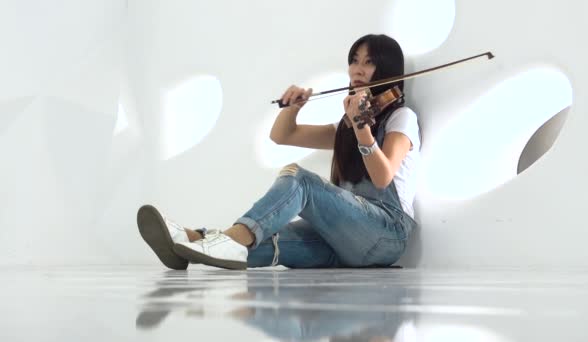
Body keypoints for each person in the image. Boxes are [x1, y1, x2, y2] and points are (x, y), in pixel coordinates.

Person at [137, 33, 421, 270]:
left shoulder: (401, 117)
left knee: (299, 179)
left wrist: (361, 126)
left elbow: (383, 177)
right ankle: (188, 243)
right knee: (270, 238)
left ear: (386, 69)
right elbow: (282, 135)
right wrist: (293, 108)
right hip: (347, 242)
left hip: (386, 235)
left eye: (369, 62)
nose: (357, 70)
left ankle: (229, 240)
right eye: (354, 61)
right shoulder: (347, 127)